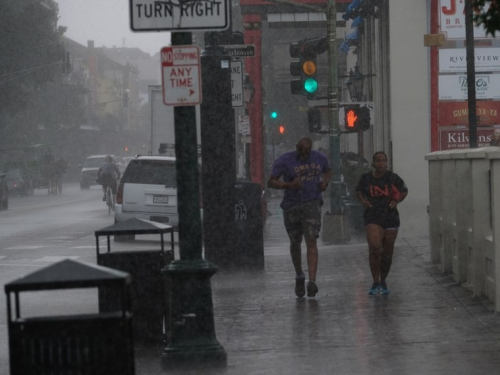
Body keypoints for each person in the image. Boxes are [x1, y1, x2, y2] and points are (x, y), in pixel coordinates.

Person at [267, 137, 332, 298]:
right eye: (301, 152)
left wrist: (325, 182)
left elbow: (328, 170)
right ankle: (299, 274)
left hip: (312, 203)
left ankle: (312, 281)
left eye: (307, 153)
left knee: (311, 240)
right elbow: (271, 182)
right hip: (292, 205)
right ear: (297, 148)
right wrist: (289, 185)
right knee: (295, 242)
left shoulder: (319, 157)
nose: (304, 156)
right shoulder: (285, 160)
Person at [356, 151, 408, 295]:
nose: (381, 164)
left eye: (384, 161)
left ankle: (383, 279)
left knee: (387, 252)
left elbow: (404, 190)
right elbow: (359, 191)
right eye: (378, 161)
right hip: (372, 216)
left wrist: (396, 201)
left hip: (390, 216)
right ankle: (375, 281)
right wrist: (364, 201)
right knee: (375, 247)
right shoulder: (366, 178)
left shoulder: (393, 178)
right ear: (373, 163)